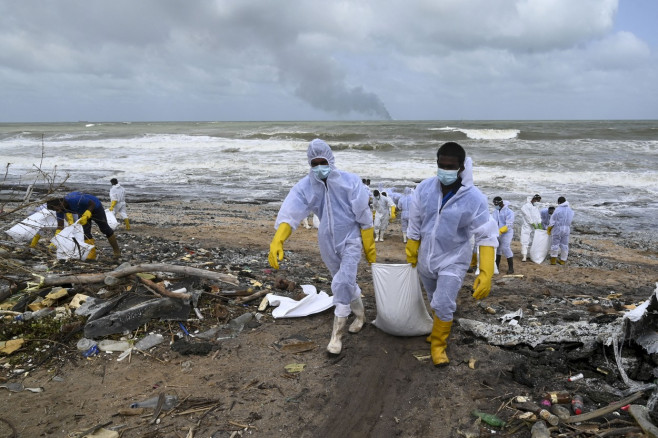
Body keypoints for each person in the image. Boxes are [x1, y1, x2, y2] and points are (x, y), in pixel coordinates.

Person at [268, 139, 376, 355]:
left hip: (350, 239)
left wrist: (369, 244)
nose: (319, 167)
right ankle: (361, 315)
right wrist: (278, 239)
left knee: (343, 281)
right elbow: (292, 212)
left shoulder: (350, 182)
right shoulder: (305, 186)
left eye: (322, 162)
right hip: (327, 241)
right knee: (343, 280)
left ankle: (337, 335)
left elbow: (363, 214)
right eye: (314, 163)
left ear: (330, 160)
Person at [406, 142, 498, 367]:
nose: (445, 170)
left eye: (451, 166)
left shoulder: (474, 198)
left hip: (454, 259)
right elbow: (416, 220)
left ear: (461, 167)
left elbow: (485, 234)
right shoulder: (425, 189)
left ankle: (438, 345)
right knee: (434, 300)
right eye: (441, 165)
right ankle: (437, 328)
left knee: (444, 302)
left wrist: (486, 271)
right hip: (427, 257)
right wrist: (412, 247)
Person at [46, 192, 121, 260]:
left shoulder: (74, 199)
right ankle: (91, 255)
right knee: (85, 233)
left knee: (105, 229)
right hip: (82, 212)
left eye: (55, 209)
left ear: (60, 203)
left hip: (95, 208)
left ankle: (116, 251)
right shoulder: (60, 210)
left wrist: (87, 213)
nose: (56, 211)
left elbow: (92, 203)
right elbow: (60, 225)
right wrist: (55, 239)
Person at [548, 197, 574, 265]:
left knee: (555, 244)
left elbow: (553, 219)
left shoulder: (558, 210)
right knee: (564, 244)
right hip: (567, 229)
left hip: (558, 229)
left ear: (559, 202)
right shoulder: (570, 210)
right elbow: (570, 220)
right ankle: (563, 260)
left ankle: (553, 260)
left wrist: (550, 228)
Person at [492, 196, 515, 274]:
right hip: (497, 232)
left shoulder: (509, 212)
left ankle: (511, 268)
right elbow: (493, 222)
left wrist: (501, 231)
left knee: (505, 247)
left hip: (507, 233)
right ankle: (496, 266)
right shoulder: (495, 211)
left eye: (497, 204)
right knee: (498, 249)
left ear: (501, 203)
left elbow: (509, 224)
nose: (496, 206)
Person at [520, 194, 542, 262]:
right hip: (527, 226)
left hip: (534, 227)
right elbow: (527, 215)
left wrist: (539, 223)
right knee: (525, 240)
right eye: (537, 200)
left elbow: (538, 216)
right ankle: (524, 256)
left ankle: (530, 255)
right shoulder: (525, 206)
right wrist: (532, 223)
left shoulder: (536, 207)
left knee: (532, 240)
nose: (538, 202)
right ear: (533, 199)